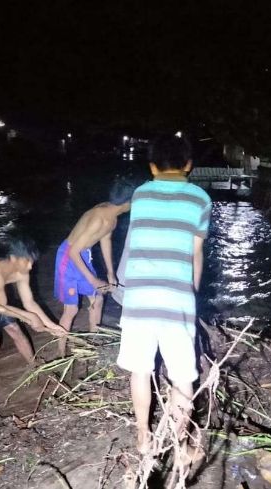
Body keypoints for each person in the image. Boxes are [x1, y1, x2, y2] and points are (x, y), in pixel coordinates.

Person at [115, 135, 211, 454]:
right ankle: (179, 440)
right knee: (183, 374)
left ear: (153, 166)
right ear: (189, 165)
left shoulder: (141, 194)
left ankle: (143, 436)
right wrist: (192, 297)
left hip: (139, 296)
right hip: (177, 298)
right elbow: (195, 255)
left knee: (140, 370)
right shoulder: (200, 199)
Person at [53, 179, 135, 355]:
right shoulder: (100, 218)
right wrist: (93, 279)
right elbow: (73, 251)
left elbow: (105, 240)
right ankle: (60, 353)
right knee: (71, 309)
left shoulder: (111, 216)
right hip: (68, 257)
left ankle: (93, 344)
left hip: (83, 254)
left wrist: (110, 273)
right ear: (128, 203)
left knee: (98, 300)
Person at [0, 237, 67, 385]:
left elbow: (29, 302)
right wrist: (29, 317)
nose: (31, 266)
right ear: (13, 258)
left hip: (0, 301)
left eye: (32, 261)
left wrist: (51, 325)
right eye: (27, 261)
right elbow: (1, 308)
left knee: (15, 330)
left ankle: (33, 364)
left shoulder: (22, 271)